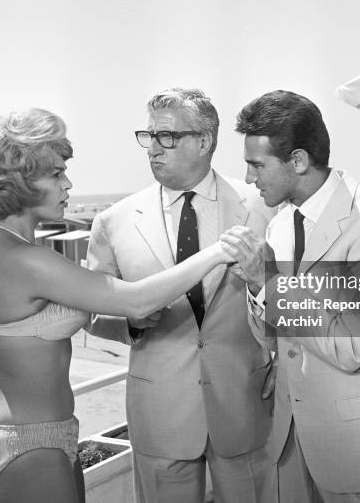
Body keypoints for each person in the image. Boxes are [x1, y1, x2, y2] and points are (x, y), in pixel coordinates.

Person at [0, 108, 236, 503]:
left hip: (46, 437)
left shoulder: (4, 245)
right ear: (18, 181)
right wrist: (219, 251)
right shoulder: (26, 260)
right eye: (56, 174)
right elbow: (136, 297)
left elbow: (103, 306)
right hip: (30, 446)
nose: (68, 184)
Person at [86, 88, 275, 503]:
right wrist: (131, 322)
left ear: (204, 141)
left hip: (244, 406)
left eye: (166, 137)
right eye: (148, 136)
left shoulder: (264, 208)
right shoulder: (114, 221)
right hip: (161, 414)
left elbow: (289, 293)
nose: (153, 148)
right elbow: (92, 315)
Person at [223, 90, 360, 503]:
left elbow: (351, 346)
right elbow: (275, 338)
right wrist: (257, 288)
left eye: (256, 165)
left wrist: (267, 284)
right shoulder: (280, 224)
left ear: (298, 161)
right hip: (291, 442)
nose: (250, 179)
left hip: (359, 448)